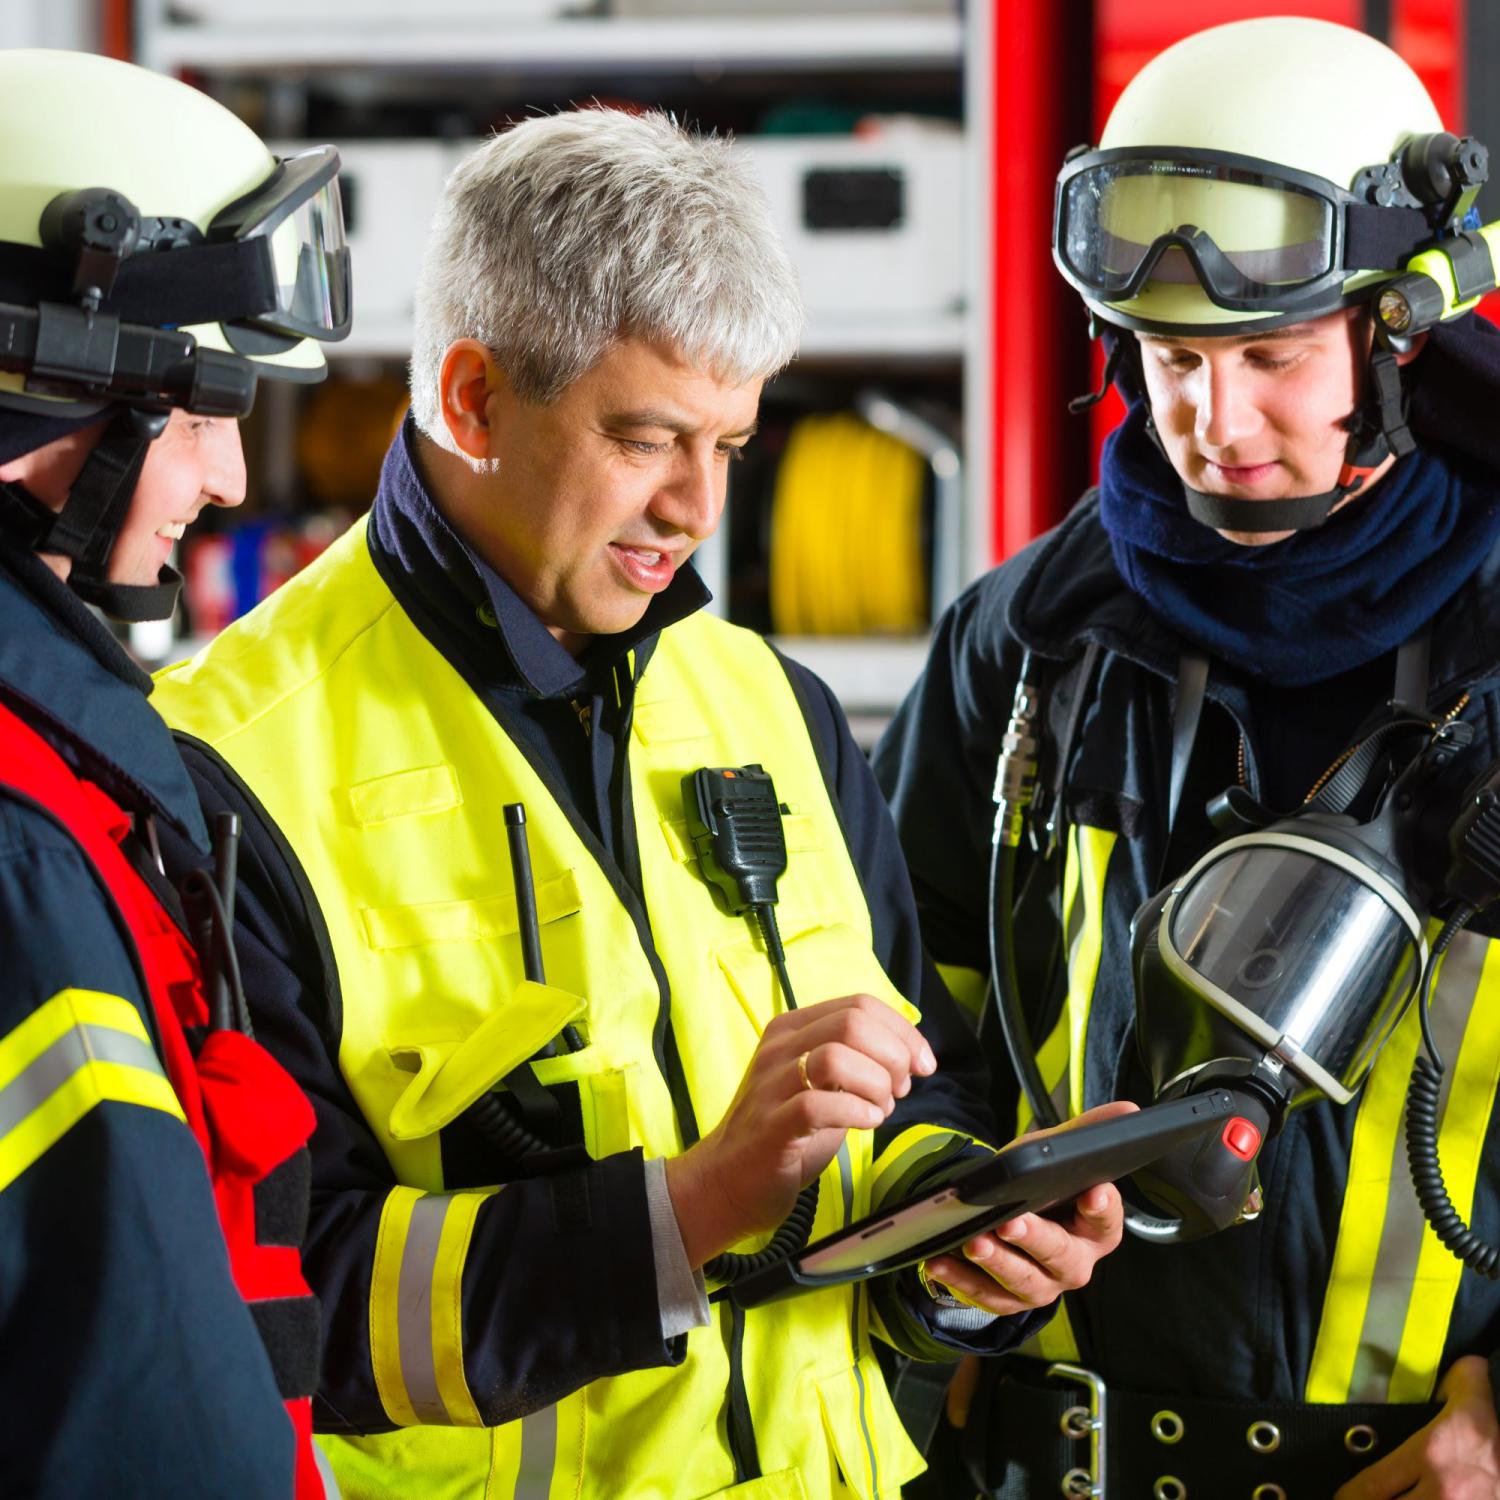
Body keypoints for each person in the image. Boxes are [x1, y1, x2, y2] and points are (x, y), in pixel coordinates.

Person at [151, 107, 1129, 1499]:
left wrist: (971, 1250)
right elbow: (265, 1309)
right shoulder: (223, 769)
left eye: (730, 442)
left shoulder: (772, 708)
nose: (696, 506)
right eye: (649, 436)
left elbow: (923, 1089)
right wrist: (682, 1216)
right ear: (474, 399)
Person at [875, 15, 1500, 1498]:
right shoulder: (1028, 641)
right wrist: (940, 1222)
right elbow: (896, 1024)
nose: (1214, 424)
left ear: (1397, 333)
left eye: (1273, 358)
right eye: (1168, 358)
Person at [0, 49, 352, 1500]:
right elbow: (132, 1383)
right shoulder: (23, 837)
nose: (226, 479)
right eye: (201, 410)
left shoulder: (62, 764)